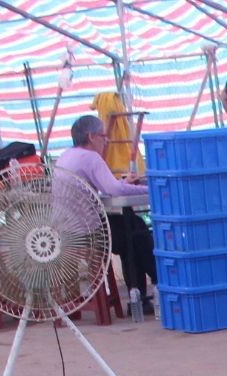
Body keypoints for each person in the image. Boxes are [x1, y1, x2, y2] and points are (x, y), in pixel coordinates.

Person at [54, 113, 157, 314]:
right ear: (92, 137)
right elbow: (114, 190)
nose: (105, 140)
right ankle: (154, 286)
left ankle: (142, 295)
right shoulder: (90, 157)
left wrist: (123, 183)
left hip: (65, 229)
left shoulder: (66, 155)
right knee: (135, 233)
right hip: (87, 231)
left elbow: (107, 187)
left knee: (133, 229)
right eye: (103, 136)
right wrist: (148, 189)